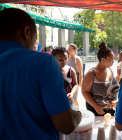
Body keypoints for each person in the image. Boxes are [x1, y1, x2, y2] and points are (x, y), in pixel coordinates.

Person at [0, 8, 81, 140]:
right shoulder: (42, 62)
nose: (34, 45)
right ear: (26, 32)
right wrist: (77, 115)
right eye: (34, 39)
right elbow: (65, 125)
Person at [82, 41, 120, 116]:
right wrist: (96, 107)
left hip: (111, 110)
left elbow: (109, 85)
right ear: (103, 60)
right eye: (111, 60)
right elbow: (84, 91)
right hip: (97, 112)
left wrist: (119, 75)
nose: (113, 62)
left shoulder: (109, 69)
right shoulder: (91, 73)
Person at [67, 44, 83, 108]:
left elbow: (80, 72)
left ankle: (78, 112)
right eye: (68, 49)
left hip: (74, 82)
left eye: (70, 49)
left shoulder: (77, 59)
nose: (68, 50)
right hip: (68, 81)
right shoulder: (66, 58)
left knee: (75, 99)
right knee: (69, 98)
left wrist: (80, 83)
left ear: (75, 51)